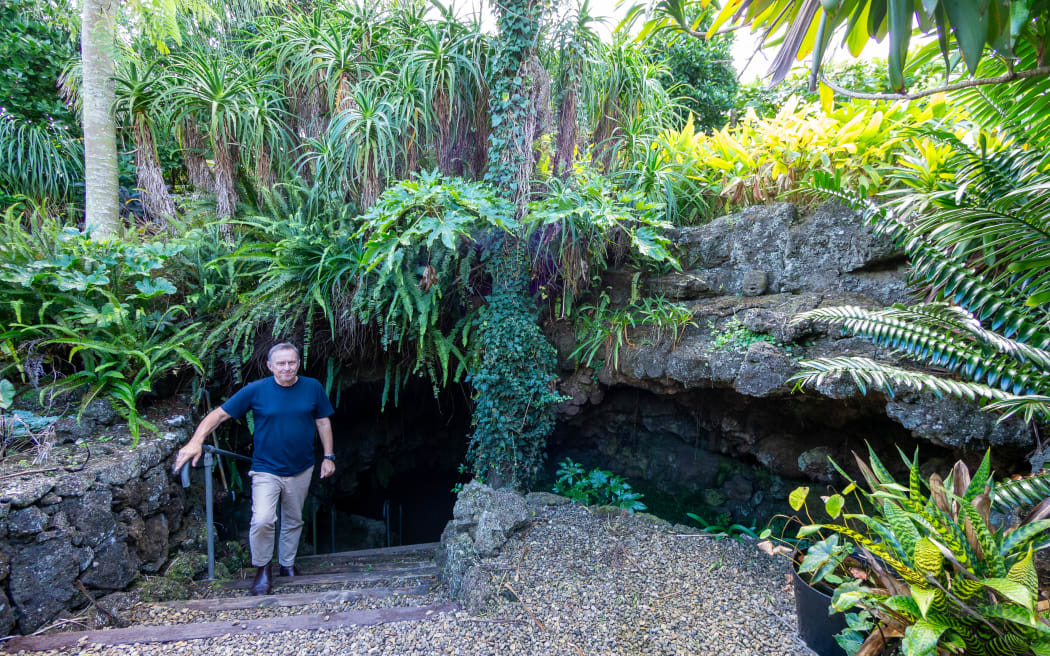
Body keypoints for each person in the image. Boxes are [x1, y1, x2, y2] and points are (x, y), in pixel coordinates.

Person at [173, 342, 335, 596]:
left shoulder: (312, 387)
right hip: (265, 468)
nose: (286, 368)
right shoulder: (256, 390)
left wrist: (329, 456)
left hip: (302, 467)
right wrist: (196, 441)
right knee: (263, 519)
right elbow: (218, 415)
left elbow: (323, 422)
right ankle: (262, 569)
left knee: (293, 519)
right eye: (280, 363)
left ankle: (287, 563)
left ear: (298, 363)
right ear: (270, 366)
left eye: (291, 362)